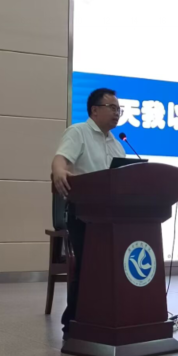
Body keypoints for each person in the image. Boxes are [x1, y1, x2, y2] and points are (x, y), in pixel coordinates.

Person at [52, 88, 125, 338]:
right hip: (84, 214)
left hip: (114, 216)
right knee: (88, 265)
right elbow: (61, 160)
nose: (117, 113)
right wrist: (58, 170)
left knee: (115, 267)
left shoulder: (117, 144)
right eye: (112, 108)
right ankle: (73, 322)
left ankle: (108, 316)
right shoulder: (78, 132)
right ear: (95, 110)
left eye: (119, 109)